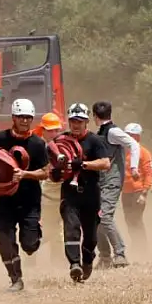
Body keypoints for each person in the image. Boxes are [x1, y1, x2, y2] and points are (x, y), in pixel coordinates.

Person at [0, 98, 50, 292]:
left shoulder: (37, 143)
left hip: (30, 201)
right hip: (5, 199)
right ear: (13, 118)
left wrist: (25, 174)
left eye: (28, 117)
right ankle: (15, 278)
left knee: (29, 245)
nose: (25, 121)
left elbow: (45, 172)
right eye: (21, 117)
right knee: (4, 236)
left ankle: (36, 231)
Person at [59, 103, 112, 283]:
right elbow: (51, 162)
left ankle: (87, 261)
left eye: (80, 121)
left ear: (86, 122)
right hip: (69, 192)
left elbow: (105, 163)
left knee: (90, 236)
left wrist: (83, 164)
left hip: (90, 192)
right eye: (73, 120)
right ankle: (74, 264)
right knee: (71, 228)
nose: (76, 124)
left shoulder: (95, 141)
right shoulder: (61, 141)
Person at [91, 101, 141, 268]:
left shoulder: (112, 131)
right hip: (101, 182)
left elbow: (133, 144)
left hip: (111, 182)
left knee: (104, 217)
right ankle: (105, 257)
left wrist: (134, 167)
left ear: (94, 117)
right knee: (96, 218)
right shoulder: (103, 132)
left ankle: (120, 254)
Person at [33, 112, 67, 266]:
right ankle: (29, 251)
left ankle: (57, 260)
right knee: (50, 229)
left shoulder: (62, 146)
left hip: (61, 193)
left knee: (58, 228)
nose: (54, 133)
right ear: (43, 130)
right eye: (51, 130)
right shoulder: (38, 146)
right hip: (45, 194)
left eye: (56, 130)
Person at [119, 122, 152, 254]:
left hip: (138, 191)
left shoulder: (143, 153)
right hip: (125, 192)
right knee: (129, 220)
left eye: (131, 135)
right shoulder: (122, 152)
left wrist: (144, 193)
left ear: (137, 137)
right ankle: (136, 244)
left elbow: (149, 173)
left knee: (136, 219)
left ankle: (142, 248)